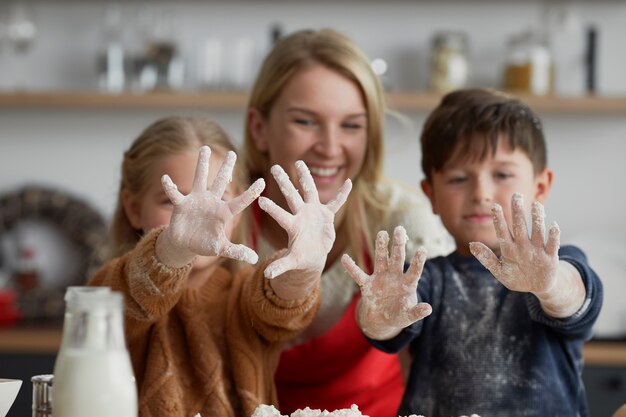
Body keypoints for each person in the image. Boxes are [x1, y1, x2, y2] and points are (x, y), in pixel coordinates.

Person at [342, 88, 604, 417]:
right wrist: (379, 317)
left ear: (540, 187)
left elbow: (574, 297)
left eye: (503, 175)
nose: (481, 193)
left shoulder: (558, 264)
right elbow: (386, 329)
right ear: (431, 194)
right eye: (458, 178)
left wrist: (549, 284)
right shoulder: (426, 279)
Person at [242, 28, 454, 416]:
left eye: (352, 125)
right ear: (259, 128)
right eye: (306, 121)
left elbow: (445, 362)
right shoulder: (228, 223)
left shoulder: (402, 222)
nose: (330, 146)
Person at [87, 116, 352, 417]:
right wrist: (173, 247)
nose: (196, 215)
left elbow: (279, 301)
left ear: (237, 212)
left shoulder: (245, 298)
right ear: (134, 209)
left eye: (218, 199)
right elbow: (131, 292)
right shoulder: (112, 287)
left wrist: (303, 270)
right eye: (172, 202)